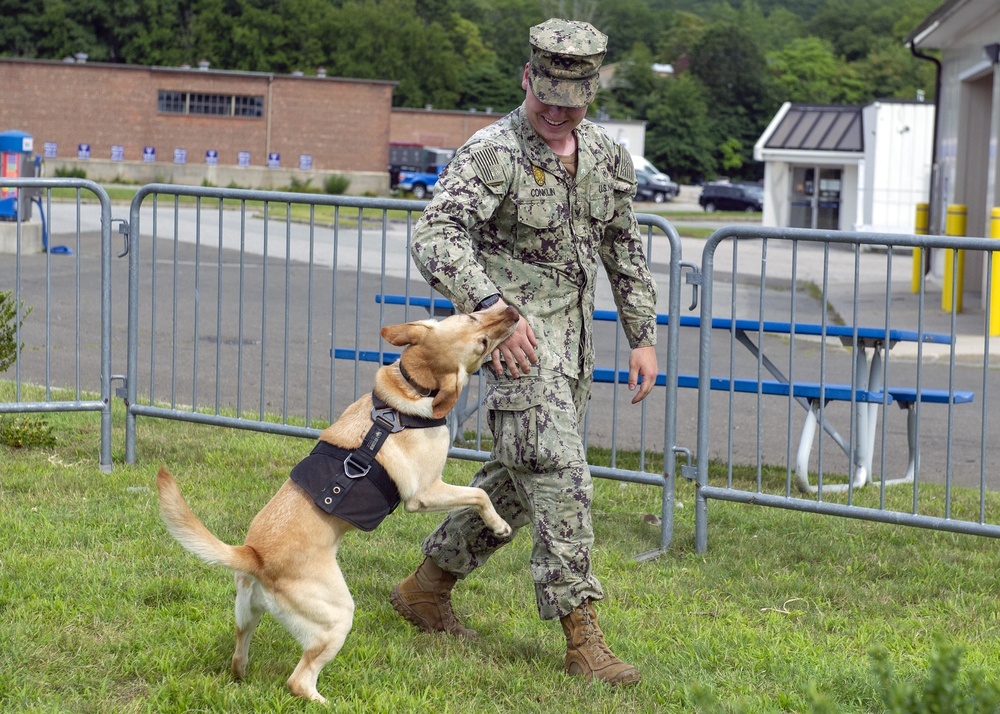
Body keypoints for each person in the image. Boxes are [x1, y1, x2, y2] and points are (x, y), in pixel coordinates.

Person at [390, 18, 659, 686]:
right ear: (525, 80)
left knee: (514, 482)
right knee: (562, 476)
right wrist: (495, 315)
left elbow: (623, 248)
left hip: (573, 347)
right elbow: (438, 237)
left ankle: (425, 588)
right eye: (545, 99)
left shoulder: (605, 156)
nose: (555, 113)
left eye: (570, 102)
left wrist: (643, 336)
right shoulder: (494, 152)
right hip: (515, 349)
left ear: (591, 94)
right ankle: (583, 639)